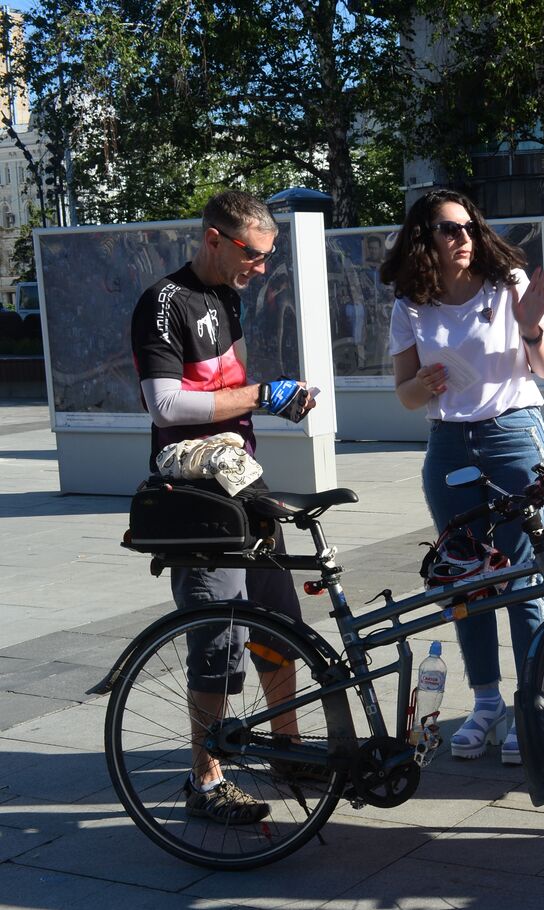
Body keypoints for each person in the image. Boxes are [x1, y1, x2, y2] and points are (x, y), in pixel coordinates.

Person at [130, 190, 318, 825]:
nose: (261, 268)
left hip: (240, 485)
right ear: (214, 237)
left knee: (277, 618)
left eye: (267, 258)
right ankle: (204, 779)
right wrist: (263, 394)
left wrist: (274, 399)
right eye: (253, 255)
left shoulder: (227, 297)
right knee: (218, 638)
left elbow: (224, 390)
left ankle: (287, 750)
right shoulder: (163, 302)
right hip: (196, 499)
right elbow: (166, 407)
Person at [381, 188, 544, 764]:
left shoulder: (507, 283)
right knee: (465, 582)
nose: (462, 238)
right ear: (423, 237)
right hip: (450, 444)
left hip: (513, 434)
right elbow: (404, 396)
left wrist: (531, 329)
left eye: (467, 227)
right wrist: (424, 385)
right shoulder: (411, 302)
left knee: (522, 577)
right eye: (448, 229)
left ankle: (530, 703)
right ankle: (487, 704)